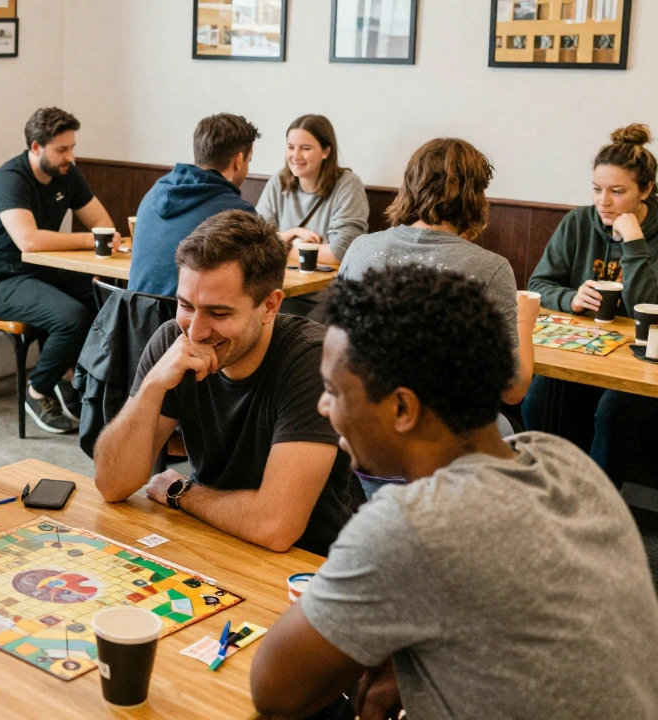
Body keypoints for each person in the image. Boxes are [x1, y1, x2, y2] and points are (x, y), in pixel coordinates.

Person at [250, 265, 658, 720]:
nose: (323, 406)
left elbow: (272, 690)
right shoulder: (564, 463)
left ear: (402, 407)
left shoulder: (411, 526)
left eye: (332, 390)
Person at [94, 210, 354, 556]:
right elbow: (112, 484)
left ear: (269, 307)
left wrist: (181, 493)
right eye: (185, 305)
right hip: (210, 540)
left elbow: (274, 527)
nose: (196, 331)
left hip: (301, 566)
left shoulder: (312, 360)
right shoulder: (173, 339)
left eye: (219, 313)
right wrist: (153, 385)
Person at [339, 138, 535, 497]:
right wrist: (525, 319)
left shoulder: (360, 248)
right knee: (508, 431)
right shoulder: (490, 269)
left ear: (409, 186)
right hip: (440, 458)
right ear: (476, 197)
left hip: (359, 443)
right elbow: (513, 387)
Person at [524, 124, 658, 488]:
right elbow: (538, 285)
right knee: (537, 398)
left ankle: (599, 508)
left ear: (645, 190)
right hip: (582, 350)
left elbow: (650, 309)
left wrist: (633, 243)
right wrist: (571, 298)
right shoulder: (579, 222)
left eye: (618, 192)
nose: (604, 202)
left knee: (613, 412)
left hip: (639, 364)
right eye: (597, 190)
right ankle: (544, 493)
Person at [0, 107, 120, 434]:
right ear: (36, 148)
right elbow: (29, 241)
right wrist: (88, 239)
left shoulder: (67, 173)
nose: (70, 156)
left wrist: (98, 236)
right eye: (62, 149)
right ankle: (37, 390)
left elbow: (103, 222)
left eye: (72, 147)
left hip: (44, 273)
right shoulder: (9, 179)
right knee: (72, 318)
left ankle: (71, 379)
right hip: (0, 280)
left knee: (107, 301)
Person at [128, 113, 260, 297]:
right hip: (188, 323)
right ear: (239, 159)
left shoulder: (153, 193)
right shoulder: (237, 213)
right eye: (249, 160)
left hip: (135, 318)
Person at [257, 115, 369, 317]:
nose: (295, 155)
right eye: (291, 147)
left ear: (326, 151)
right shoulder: (279, 181)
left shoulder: (348, 185)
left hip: (327, 299)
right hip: (277, 293)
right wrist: (293, 233)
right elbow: (256, 240)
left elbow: (340, 252)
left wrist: (286, 245)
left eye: (305, 148)